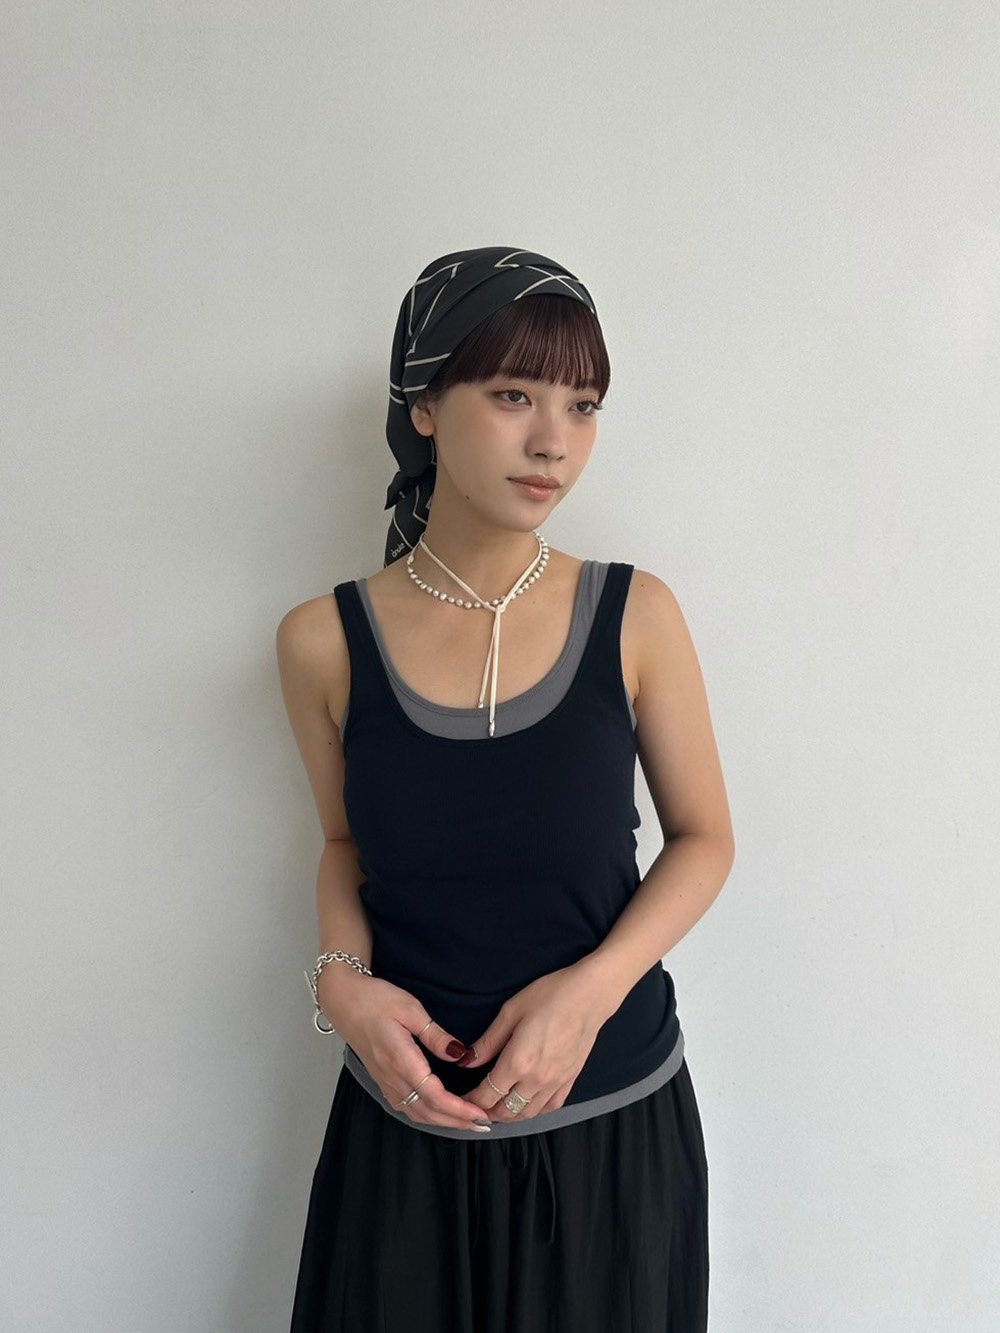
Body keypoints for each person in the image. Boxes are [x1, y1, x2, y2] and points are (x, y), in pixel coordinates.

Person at [276, 246, 735, 1331]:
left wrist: (589, 995)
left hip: (612, 1128)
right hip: (403, 1136)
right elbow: (344, 846)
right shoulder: (321, 640)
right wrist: (340, 985)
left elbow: (704, 837)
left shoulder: (635, 614)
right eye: (513, 394)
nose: (553, 441)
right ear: (424, 407)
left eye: (583, 405)